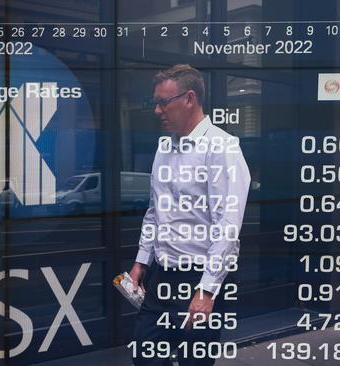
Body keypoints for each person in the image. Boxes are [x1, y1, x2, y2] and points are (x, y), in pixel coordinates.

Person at [129, 64, 251, 366]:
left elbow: (228, 227)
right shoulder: (164, 148)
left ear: (189, 99)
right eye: (154, 102)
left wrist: (207, 290)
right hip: (162, 275)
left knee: (193, 363)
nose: (157, 111)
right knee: (145, 357)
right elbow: (155, 210)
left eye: (163, 102)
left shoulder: (222, 148)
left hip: (199, 276)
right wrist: (141, 261)